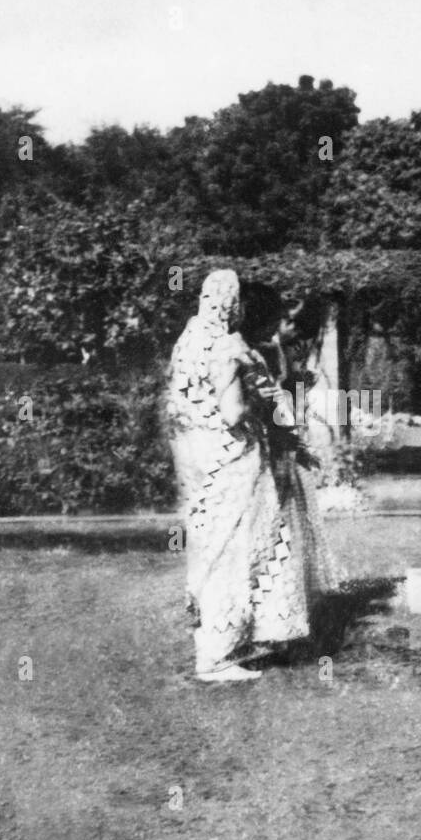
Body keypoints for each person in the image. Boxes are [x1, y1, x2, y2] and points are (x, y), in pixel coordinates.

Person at [165, 270, 309, 683]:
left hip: (198, 463)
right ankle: (218, 653)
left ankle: (223, 643)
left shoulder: (189, 340)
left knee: (211, 547)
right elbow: (232, 413)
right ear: (232, 305)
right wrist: (260, 402)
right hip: (234, 460)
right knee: (238, 549)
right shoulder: (228, 346)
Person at [239, 281, 338, 630]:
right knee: (276, 528)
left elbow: (284, 400)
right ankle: (273, 615)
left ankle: (289, 608)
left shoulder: (267, 350)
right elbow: (273, 408)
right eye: (280, 319)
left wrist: (297, 388)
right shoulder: (255, 355)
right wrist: (291, 441)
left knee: (288, 526)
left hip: (279, 442)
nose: (287, 325)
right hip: (270, 447)